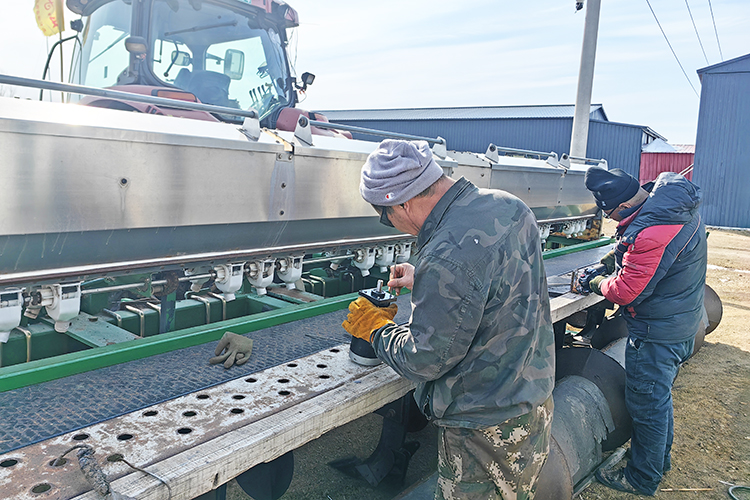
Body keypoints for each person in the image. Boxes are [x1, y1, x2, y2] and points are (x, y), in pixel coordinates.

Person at [342, 139, 555, 500]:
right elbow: (497, 280)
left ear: (403, 202)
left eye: (386, 215)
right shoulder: (509, 205)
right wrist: (429, 279)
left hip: (485, 427)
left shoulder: (447, 256)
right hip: (531, 397)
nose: (391, 224)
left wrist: (375, 329)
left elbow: (424, 359)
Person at [581, 167, 707, 496]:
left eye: (608, 213)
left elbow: (626, 292)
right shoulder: (671, 208)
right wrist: (611, 260)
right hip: (681, 320)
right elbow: (644, 251)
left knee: (647, 404)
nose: (609, 219)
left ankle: (641, 477)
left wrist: (596, 282)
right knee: (658, 399)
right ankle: (657, 461)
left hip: (657, 333)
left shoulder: (652, 232)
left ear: (623, 206)